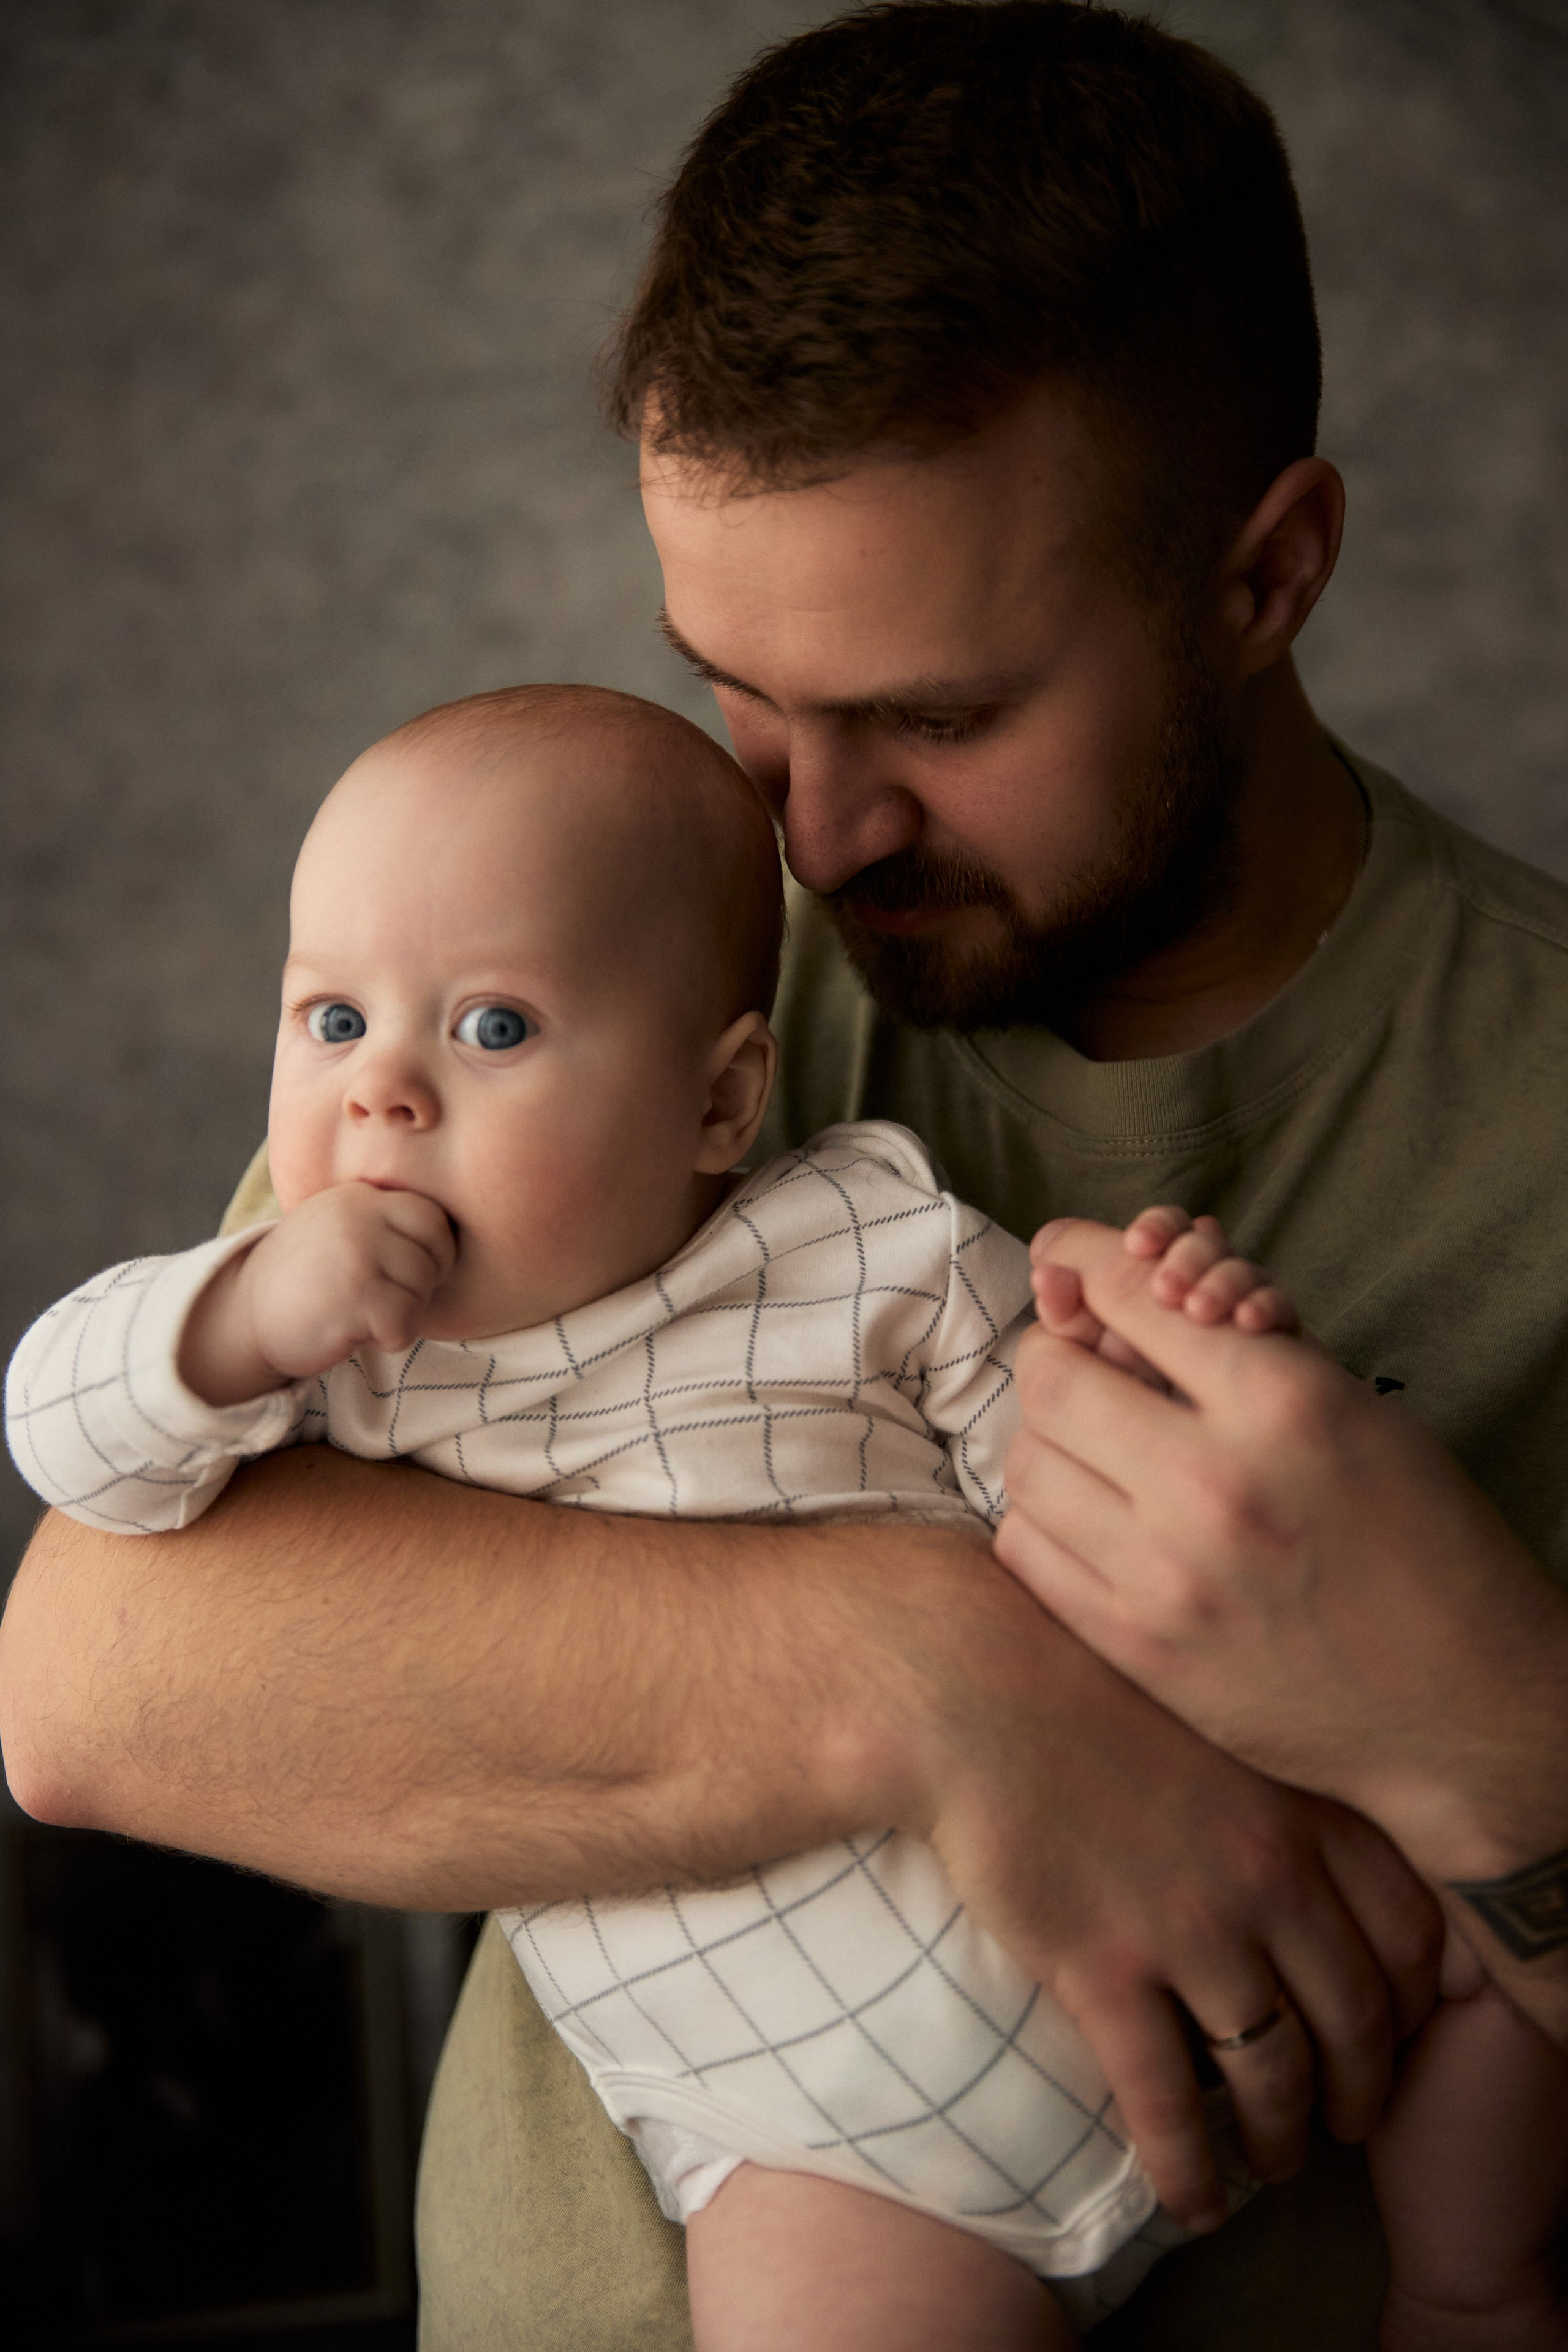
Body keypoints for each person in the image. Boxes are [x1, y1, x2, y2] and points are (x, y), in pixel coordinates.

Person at [3, 4, 1566, 2345]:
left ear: (1269, 577)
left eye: (940, 718)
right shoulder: (594, 965)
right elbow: (99, 1685)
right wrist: (939, 1678)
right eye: (742, 688)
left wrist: (1492, 1733)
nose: (815, 836)